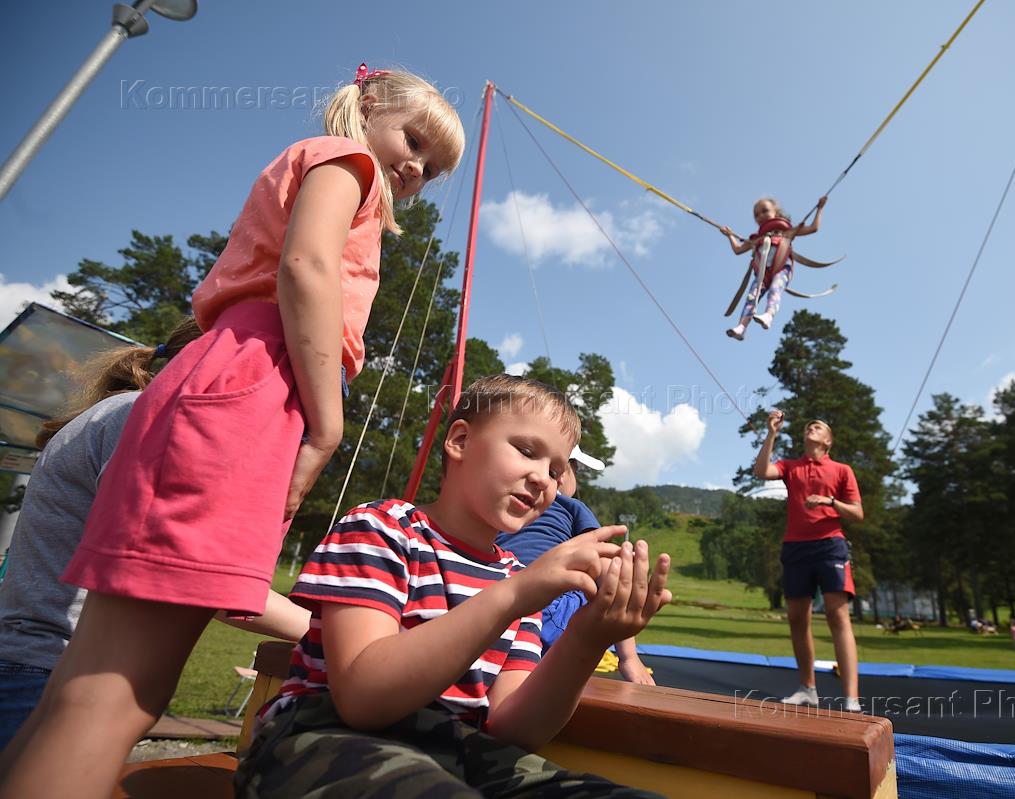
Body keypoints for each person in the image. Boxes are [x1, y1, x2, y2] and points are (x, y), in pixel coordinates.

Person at [0, 64, 466, 799]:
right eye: (414, 142)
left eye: (432, 170)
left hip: (234, 384)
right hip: (255, 387)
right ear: (368, 104)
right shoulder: (347, 161)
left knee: (91, 682)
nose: (416, 169)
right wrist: (327, 425)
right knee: (120, 693)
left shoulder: (323, 165)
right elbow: (306, 266)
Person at [235, 374, 672, 798]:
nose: (544, 479)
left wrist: (587, 639)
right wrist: (513, 596)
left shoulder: (518, 579)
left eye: (557, 470)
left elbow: (513, 728)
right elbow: (363, 698)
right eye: (526, 451)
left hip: (455, 750)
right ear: (460, 440)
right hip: (322, 739)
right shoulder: (381, 530)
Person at [0, 319, 311, 752]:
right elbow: (197, 577)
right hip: (47, 670)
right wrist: (331, 635)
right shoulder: (147, 417)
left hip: (38, 664)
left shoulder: (128, 411)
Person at [496, 446, 655, 685]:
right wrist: (629, 656)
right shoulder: (571, 507)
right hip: (551, 607)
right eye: (576, 470)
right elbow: (601, 558)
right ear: (561, 475)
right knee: (603, 574)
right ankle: (629, 658)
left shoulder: (506, 507)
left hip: (501, 600)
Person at [753, 410, 863, 712]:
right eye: (808, 427)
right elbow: (761, 471)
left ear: (828, 441)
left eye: (818, 427)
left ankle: (851, 698)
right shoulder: (791, 466)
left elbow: (858, 513)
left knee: (837, 616)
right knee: (797, 618)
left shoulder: (842, 470)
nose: (811, 428)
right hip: (796, 548)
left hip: (830, 546)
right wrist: (771, 433)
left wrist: (830, 501)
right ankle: (807, 689)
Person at [722, 196, 827, 340]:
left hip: (782, 268)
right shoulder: (756, 239)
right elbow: (738, 250)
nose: (760, 216)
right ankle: (741, 327)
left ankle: (768, 315)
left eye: (764, 211)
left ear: (776, 212)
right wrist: (730, 236)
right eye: (756, 215)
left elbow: (813, 228)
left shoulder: (786, 232)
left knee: (775, 289)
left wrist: (820, 208)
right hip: (762, 273)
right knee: (752, 296)